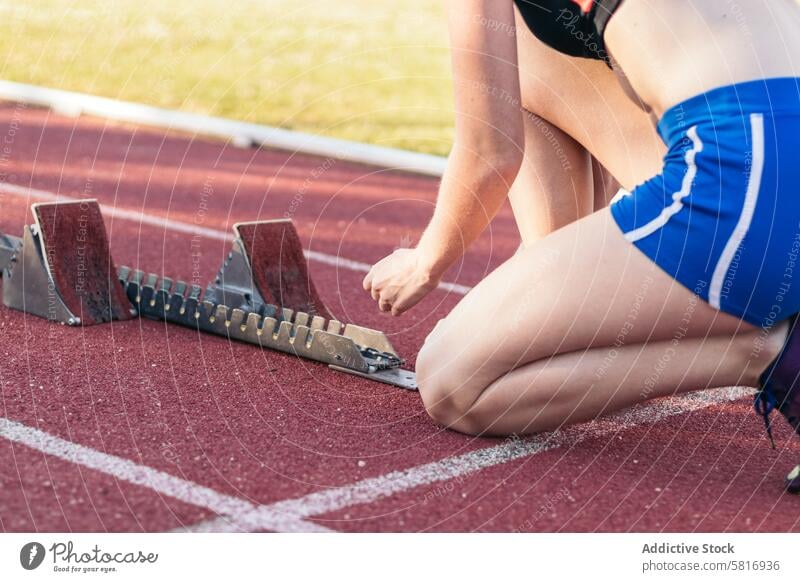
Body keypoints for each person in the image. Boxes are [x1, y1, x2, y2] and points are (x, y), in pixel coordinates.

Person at [362, 0, 800, 492]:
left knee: (452, 382)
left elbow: (490, 152)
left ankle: (769, 352)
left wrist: (425, 261)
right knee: (523, 56)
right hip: (763, 156)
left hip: (748, 181)